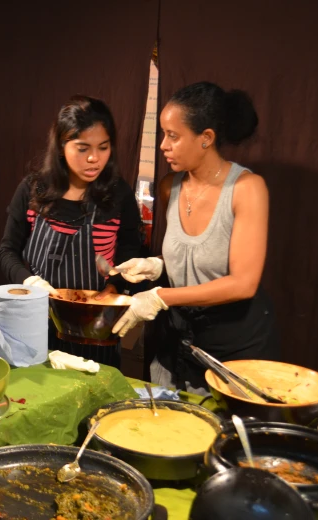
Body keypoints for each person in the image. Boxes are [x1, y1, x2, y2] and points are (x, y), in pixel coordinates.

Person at [111, 82, 278, 394]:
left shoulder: (247, 189)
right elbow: (193, 256)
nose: (163, 145)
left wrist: (161, 296)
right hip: (178, 341)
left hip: (233, 347)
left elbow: (243, 283)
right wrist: (157, 266)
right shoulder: (169, 186)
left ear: (206, 138)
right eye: (163, 134)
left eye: (173, 136)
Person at [0, 95, 142, 366]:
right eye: (82, 148)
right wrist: (30, 282)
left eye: (103, 147)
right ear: (62, 145)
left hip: (96, 329)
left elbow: (130, 251)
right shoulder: (34, 190)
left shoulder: (118, 195)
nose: (94, 158)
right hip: (36, 323)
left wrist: (115, 287)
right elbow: (7, 251)